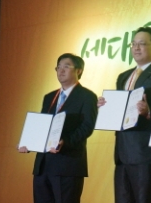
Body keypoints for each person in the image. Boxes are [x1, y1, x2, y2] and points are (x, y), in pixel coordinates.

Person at [99, 26, 151, 203]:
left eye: (142, 44)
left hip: (146, 151)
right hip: (122, 152)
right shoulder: (124, 76)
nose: (136, 48)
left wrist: (149, 112)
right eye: (133, 44)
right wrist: (106, 107)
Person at [18, 53, 98, 203]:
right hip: (43, 166)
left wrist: (65, 142)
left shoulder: (87, 96)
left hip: (67, 165)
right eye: (58, 67)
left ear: (78, 70)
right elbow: (42, 125)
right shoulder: (50, 97)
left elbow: (87, 127)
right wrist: (29, 142)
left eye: (66, 67)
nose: (60, 71)